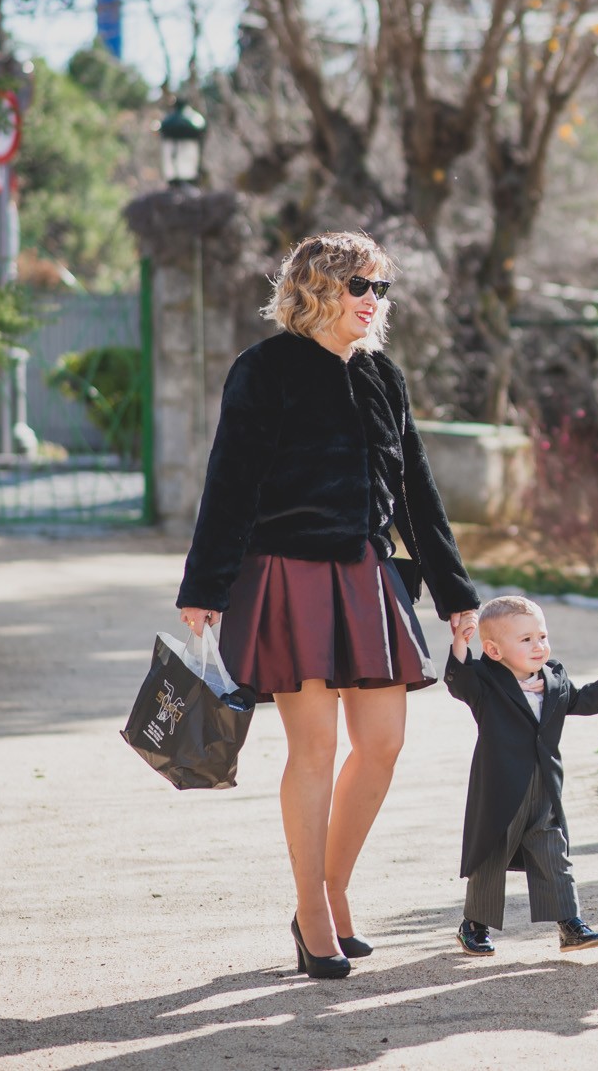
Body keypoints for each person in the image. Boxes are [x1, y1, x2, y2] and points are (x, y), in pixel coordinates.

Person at [175, 231, 482, 982]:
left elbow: (418, 493)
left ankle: (335, 885)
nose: (374, 303)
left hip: (369, 574)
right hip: (288, 574)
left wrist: (455, 595)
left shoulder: (383, 376)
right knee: (312, 748)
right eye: (361, 288)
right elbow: (231, 480)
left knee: (382, 742)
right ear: (318, 288)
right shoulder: (263, 370)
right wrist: (206, 587)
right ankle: (312, 911)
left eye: (381, 290)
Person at [445, 595, 598, 956]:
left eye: (542, 636)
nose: (538, 646)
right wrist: (459, 644)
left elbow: (584, 700)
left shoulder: (555, 678)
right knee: (492, 855)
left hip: (543, 786)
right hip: (500, 789)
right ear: (494, 650)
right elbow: (460, 681)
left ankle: (570, 923)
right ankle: (474, 925)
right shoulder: (486, 683)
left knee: (553, 852)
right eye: (526, 639)